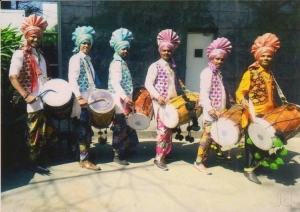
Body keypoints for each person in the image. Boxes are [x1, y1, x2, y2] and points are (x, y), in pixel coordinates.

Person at [8, 14, 59, 174]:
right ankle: (31, 163)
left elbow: (42, 77)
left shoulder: (40, 55)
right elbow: (12, 76)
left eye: (38, 37)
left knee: (42, 133)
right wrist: (26, 95)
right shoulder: (20, 54)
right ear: (27, 36)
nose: (36, 40)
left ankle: (38, 159)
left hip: (42, 101)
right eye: (33, 37)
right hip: (30, 102)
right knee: (32, 134)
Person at [236, 33, 280, 184]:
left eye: (269, 56)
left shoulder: (269, 73)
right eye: (263, 56)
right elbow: (240, 92)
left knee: (264, 140)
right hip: (254, 113)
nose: (266, 58)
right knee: (251, 141)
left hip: (268, 113)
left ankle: (258, 164)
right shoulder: (250, 73)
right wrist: (242, 100)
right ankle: (249, 169)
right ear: (258, 57)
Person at [193, 37, 232, 174]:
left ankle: (207, 158)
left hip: (218, 111)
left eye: (222, 59)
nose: (220, 61)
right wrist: (210, 109)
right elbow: (204, 93)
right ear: (211, 58)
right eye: (217, 59)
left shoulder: (217, 73)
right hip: (211, 112)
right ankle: (198, 162)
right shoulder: (207, 73)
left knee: (214, 136)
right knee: (207, 137)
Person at [145, 29, 180, 171]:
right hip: (160, 103)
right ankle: (158, 158)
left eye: (169, 51)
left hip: (171, 104)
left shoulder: (172, 66)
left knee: (169, 129)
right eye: (164, 50)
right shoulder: (155, 66)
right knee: (162, 130)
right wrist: (157, 96)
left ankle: (166, 153)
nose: (166, 52)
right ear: (160, 51)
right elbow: (148, 83)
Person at [68, 26, 101, 171]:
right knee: (83, 130)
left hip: (89, 100)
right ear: (79, 44)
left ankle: (83, 156)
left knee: (86, 129)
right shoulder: (76, 58)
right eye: (84, 43)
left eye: (88, 43)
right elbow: (72, 79)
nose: (86, 45)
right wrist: (79, 97)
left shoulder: (87, 60)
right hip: (80, 101)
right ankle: (84, 160)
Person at [108, 28, 139, 165]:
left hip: (125, 101)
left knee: (126, 126)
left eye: (126, 49)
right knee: (120, 127)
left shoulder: (121, 62)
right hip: (119, 101)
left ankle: (124, 150)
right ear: (117, 49)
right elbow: (115, 83)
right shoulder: (116, 64)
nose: (125, 51)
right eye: (122, 49)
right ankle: (117, 155)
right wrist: (125, 97)